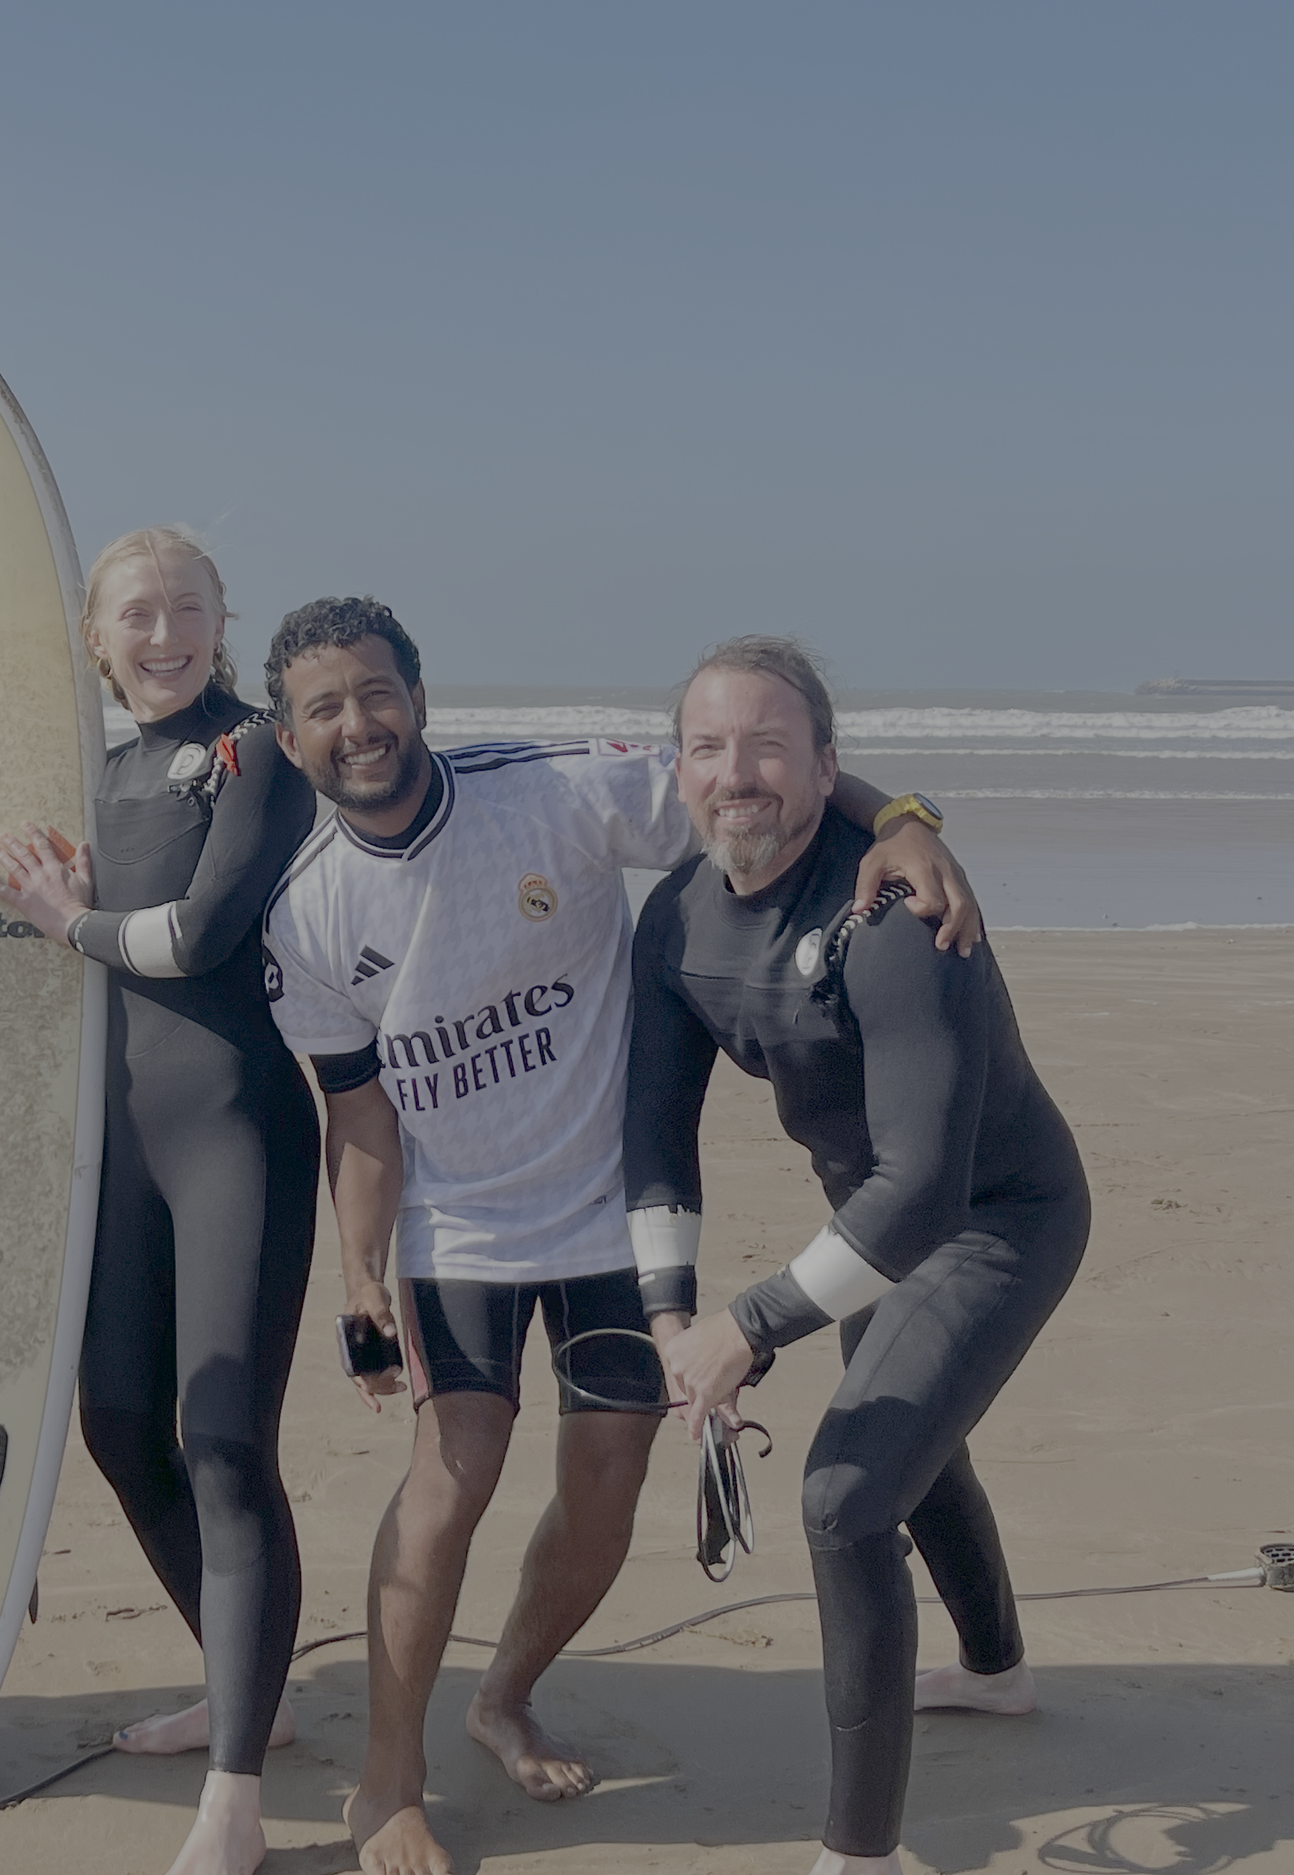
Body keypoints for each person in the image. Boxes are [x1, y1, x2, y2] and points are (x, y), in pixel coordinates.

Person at [256, 599, 980, 1875]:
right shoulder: (305, 914)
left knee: (603, 1488)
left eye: (377, 694)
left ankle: (502, 1694)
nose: (357, 725)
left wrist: (907, 822)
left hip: (607, 1206)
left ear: (419, 698)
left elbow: (750, 780)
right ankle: (388, 1777)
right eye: (324, 708)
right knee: (453, 1476)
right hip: (455, 1229)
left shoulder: (560, 792)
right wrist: (362, 1276)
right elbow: (360, 1121)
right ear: (288, 733)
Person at [627, 636, 1087, 1875]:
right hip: (873, 1221)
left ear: (826, 767)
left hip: (996, 1217)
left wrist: (752, 1323)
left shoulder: (895, 912)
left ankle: (858, 1855)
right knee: (909, 1449)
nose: (741, 773)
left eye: (771, 745)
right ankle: (994, 1673)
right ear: (676, 772)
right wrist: (673, 1316)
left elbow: (925, 1189)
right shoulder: (673, 921)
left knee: (841, 1498)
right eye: (712, 747)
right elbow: (654, 1137)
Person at [0, 526, 319, 1875]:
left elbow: (194, 933)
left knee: (228, 1441)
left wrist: (66, 920)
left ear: (223, 617)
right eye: (138, 610)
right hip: (118, 1146)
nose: (165, 628)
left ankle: (233, 1794)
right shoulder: (101, 766)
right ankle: (248, 1685)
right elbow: (56, 913)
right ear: (94, 634)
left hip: (236, 1129)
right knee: (122, 1425)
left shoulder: (256, 749)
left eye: (189, 604)